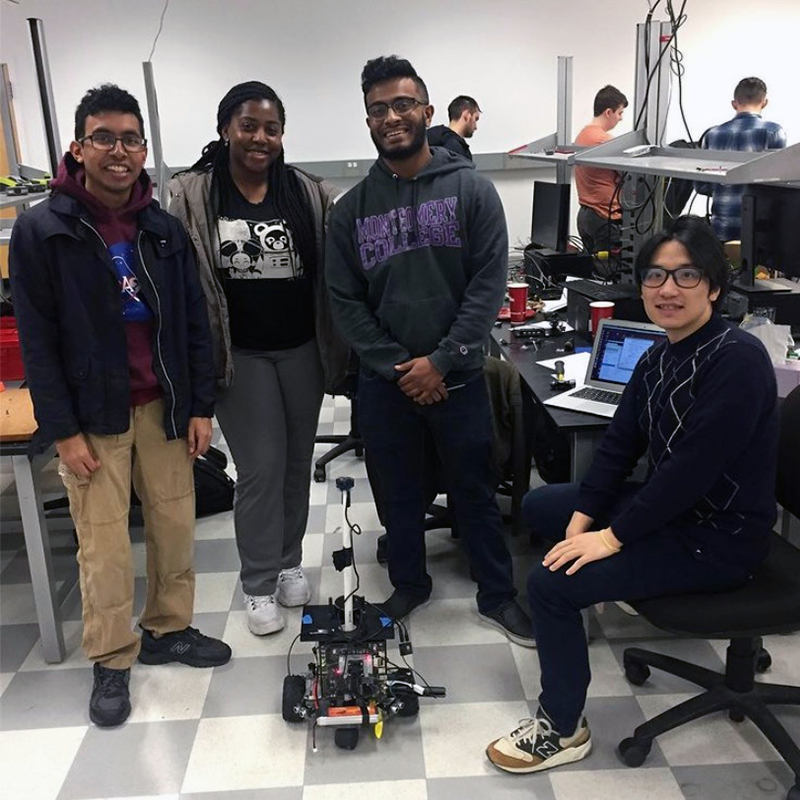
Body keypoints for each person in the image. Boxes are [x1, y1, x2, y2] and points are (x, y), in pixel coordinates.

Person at [485, 215, 778, 773]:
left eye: (686, 275)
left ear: (715, 287)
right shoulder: (660, 354)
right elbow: (620, 446)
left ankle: (562, 727)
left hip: (720, 537)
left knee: (549, 585)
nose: (667, 289)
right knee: (542, 507)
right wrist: (583, 518)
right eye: (655, 276)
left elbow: (688, 474)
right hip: (679, 511)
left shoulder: (736, 360)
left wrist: (611, 539)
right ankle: (580, 606)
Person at [9, 84, 231, 728]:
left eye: (131, 139)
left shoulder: (161, 229)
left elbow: (192, 322)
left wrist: (197, 404)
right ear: (78, 148)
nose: (119, 151)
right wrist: (63, 429)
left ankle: (169, 628)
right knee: (102, 544)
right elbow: (37, 340)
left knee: (174, 524)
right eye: (103, 138)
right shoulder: (43, 229)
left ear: (143, 149)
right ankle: (110, 657)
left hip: (162, 405)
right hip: (92, 416)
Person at [325, 55, 534, 647]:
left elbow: (487, 286)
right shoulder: (351, 211)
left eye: (402, 104)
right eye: (378, 109)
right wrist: (398, 366)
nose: (391, 117)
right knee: (397, 493)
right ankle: (410, 584)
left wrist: (439, 361)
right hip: (386, 385)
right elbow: (345, 300)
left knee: (475, 489)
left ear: (426, 111)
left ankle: (497, 595)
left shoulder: (472, 192)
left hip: (459, 378)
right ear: (367, 120)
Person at [168, 82, 348, 638]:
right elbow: (181, 285)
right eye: (248, 126)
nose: (259, 138)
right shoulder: (195, 194)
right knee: (261, 469)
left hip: (301, 349)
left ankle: (291, 560)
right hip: (237, 355)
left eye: (271, 128)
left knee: (296, 464)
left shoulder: (306, 192)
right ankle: (259, 582)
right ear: (226, 129)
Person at [695, 77, 787, 241]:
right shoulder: (774, 132)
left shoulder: (712, 134)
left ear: (734, 103)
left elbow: (701, 186)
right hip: (758, 232)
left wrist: (724, 188)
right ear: (764, 103)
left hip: (721, 228)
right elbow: (779, 186)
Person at [574, 85, 628, 253]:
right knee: (609, 274)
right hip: (605, 217)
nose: (620, 118)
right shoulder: (604, 140)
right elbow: (628, 173)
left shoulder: (582, 135)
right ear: (608, 112)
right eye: (619, 113)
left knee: (593, 272)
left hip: (586, 215)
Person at [427, 95, 481, 161]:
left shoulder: (427, 140)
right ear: (467, 115)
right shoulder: (457, 150)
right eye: (476, 119)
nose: (476, 127)